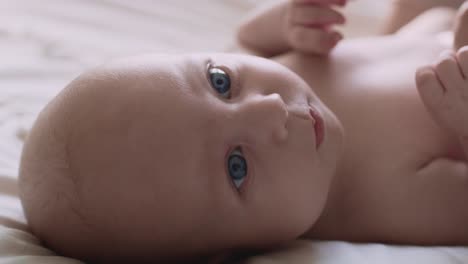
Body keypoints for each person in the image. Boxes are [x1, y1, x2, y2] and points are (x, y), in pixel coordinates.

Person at [17, 0, 468, 263]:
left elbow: (248, 41)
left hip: (426, 24)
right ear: (232, 251)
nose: (269, 110)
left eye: (219, 82)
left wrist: (292, 20)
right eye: (238, 167)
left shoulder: (262, 74)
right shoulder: (385, 201)